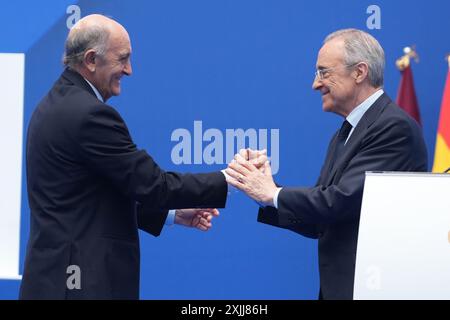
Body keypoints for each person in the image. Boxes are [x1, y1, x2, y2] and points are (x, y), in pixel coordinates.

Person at [20, 14, 230, 299]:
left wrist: (172, 215)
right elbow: (154, 185)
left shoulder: (54, 104)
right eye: (123, 59)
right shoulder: (89, 114)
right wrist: (229, 179)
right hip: (80, 286)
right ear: (92, 60)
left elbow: (92, 196)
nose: (129, 70)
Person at [226, 29, 428, 300]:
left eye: (324, 73)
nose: (315, 84)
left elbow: (340, 201)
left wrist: (272, 194)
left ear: (359, 72)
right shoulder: (345, 132)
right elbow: (322, 219)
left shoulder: (394, 127)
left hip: (375, 290)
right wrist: (268, 193)